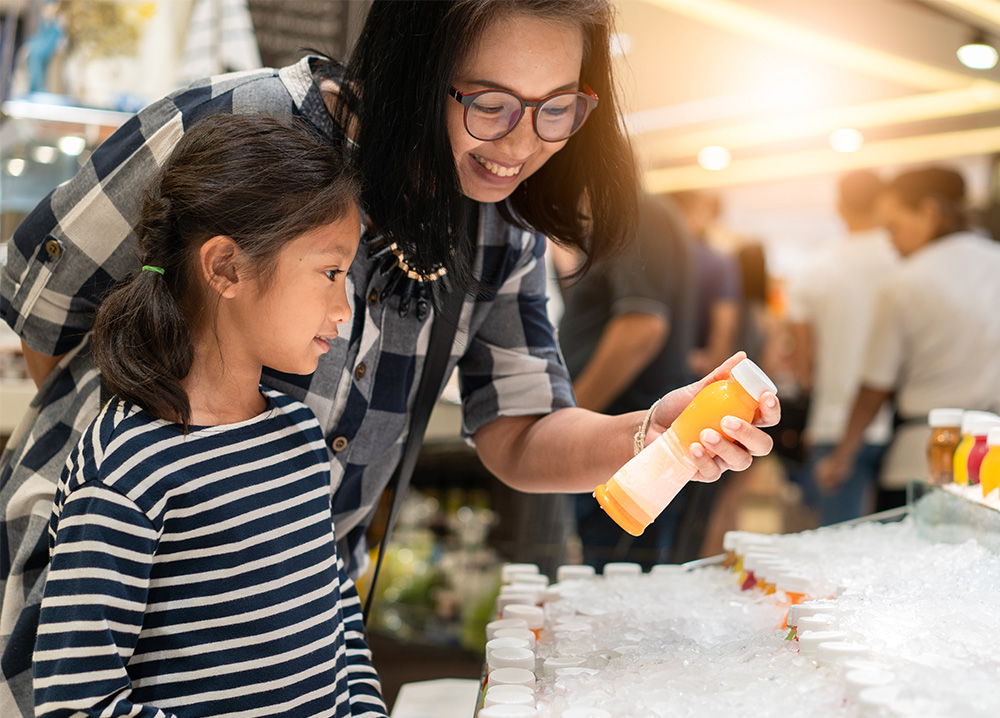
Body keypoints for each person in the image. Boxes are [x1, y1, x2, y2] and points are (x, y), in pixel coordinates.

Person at [1, 3, 781, 709]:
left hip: (280, 634)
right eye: (491, 104)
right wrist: (138, 444)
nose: (521, 145)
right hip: (99, 603)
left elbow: (520, 427)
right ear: (414, 70)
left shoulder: (496, 223)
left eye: (557, 111)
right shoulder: (243, 122)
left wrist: (652, 432)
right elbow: (48, 319)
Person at [29, 114, 387, 717]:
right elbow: (76, 702)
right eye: (330, 273)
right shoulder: (127, 465)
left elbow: (337, 616)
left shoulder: (299, 436)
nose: (344, 308)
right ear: (226, 267)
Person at [816, 166, 1000, 510]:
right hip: (993, 459)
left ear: (929, 212)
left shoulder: (904, 284)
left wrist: (842, 455)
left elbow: (875, 388)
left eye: (893, 227)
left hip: (922, 460)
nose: (891, 241)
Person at [555, 192, 696, 569]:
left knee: (618, 584)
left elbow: (641, 327)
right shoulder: (623, 218)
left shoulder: (635, 212)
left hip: (623, 441)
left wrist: (567, 419)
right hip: (617, 436)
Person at [785, 170, 900, 525]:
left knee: (838, 546)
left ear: (839, 207)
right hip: (901, 425)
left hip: (833, 422)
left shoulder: (813, 268)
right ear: (884, 203)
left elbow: (803, 362)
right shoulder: (904, 260)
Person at [671, 190, 742, 379]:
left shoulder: (661, 260)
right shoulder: (719, 262)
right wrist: (713, 366)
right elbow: (725, 324)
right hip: (694, 372)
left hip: (661, 371)